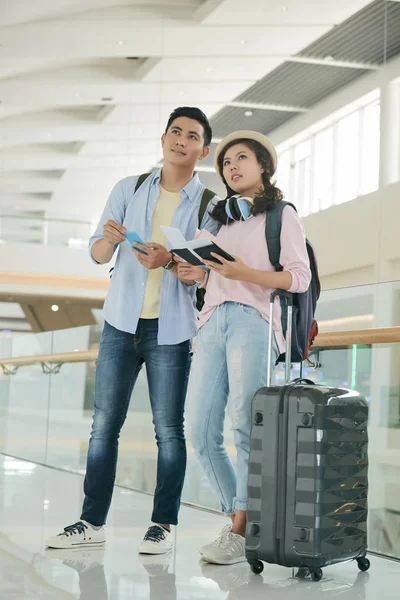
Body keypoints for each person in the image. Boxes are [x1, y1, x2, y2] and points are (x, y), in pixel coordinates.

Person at [45, 107, 219, 555]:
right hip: (121, 323)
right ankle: (91, 521)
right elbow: (98, 254)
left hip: (172, 328)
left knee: (168, 430)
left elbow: (209, 272)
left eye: (192, 135)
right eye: (175, 132)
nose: (181, 140)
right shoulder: (129, 188)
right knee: (104, 425)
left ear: (204, 149)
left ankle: (163, 523)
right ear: (163, 139)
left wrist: (176, 263)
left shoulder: (208, 206)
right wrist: (109, 238)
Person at [177, 130, 311, 565]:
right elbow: (206, 273)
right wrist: (191, 272)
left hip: (255, 321)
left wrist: (243, 272)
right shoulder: (218, 219)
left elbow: (298, 277)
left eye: (241, 159)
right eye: (226, 162)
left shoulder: (281, 216)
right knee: (197, 432)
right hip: (212, 322)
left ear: (263, 167)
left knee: (244, 427)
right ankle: (244, 515)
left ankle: (238, 530)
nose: (232, 167)